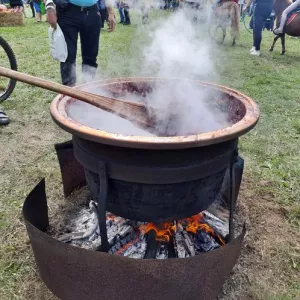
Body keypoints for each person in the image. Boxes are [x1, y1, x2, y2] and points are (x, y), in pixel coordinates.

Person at [46, 0, 116, 86]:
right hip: (67, 12)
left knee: (91, 56)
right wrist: (49, 8)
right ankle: (69, 90)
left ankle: (89, 86)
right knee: (68, 56)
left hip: (92, 12)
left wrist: (111, 12)